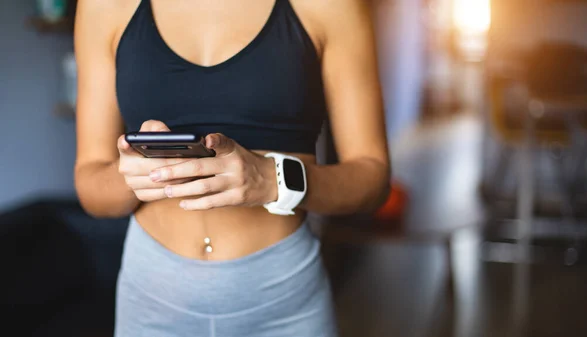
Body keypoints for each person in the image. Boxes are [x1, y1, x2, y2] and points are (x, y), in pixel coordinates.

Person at [73, 0, 390, 335]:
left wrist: (274, 179)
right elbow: (90, 182)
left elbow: (374, 178)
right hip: (153, 301)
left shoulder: (330, 6)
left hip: (282, 302)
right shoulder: (103, 6)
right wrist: (135, 176)